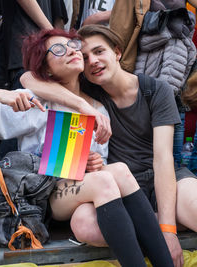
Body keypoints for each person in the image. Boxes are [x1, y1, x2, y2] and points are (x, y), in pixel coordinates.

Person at [21, 24, 197, 267]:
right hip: (112, 186)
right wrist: (81, 106)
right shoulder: (87, 94)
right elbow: (29, 77)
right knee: (86, 225)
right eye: (84, 56)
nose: (91, 61)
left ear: (117, 51)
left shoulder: (154, 90)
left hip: (162, 179)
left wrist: (168, 230)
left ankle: (160, 229)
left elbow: (163, 159)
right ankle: (154, 231)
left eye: (99, 51)